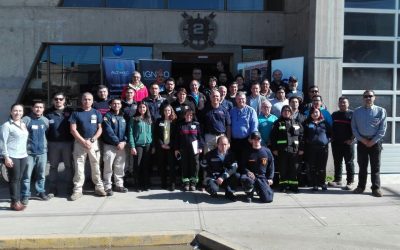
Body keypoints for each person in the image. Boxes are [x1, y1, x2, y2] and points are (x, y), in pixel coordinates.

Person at [69, 92, 106, 201]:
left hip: (93, 142)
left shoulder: (96, 113)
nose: (87, 101)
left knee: (96, 165)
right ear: (82, 100)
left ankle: (99, 187)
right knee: (79, 166)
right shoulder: (76, 113)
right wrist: (82, 141)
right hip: (79, 143)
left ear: (92, 101)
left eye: (89, 99)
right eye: (85, 99)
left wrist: (92, 139)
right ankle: (77, 190)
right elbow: (73, 129)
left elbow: (100, 128)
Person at [351, 90, 387, 197]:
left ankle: (376, 188)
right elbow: (354, 128)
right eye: (365, 96)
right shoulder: (357, 112)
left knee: (375, 167)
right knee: (362, 166)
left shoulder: (381, 111)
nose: (368, 98)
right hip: (362, 142)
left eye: (370, 96)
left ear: (374, 97)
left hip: (375, 143)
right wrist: (363, 140)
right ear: (363, 98)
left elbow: (382, 129)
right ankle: (361, 187)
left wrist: (372, 141)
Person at [21, 101, 51, 206]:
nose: (38, 109)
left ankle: (40, 191)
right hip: (29, 152)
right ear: (32, 108)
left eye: (41, 107)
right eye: (36, 107)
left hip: (42, 152)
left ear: (43, 109)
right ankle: (25, 195)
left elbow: (46, 134)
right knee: (26, 175)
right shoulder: (25, 120)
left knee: (41, 174)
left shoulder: (45, 120)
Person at [45, 92, 74, 197]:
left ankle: (70, 187)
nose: (58, 101)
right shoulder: (47, 112)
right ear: (53, 100)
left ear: (64, 100)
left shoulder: (70, 112)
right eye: (56, 99)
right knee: (53, 167)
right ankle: (52, 188)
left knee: (68, 166)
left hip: (68, 143)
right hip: (53, 144)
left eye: (61, 99)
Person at [0, 104, 29, 211]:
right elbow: (2, 143)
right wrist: (6, 157)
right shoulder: (6, 126)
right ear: (11, 112)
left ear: (23, 112)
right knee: (14, 179)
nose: (18, 113)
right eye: (15, 111)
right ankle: (15, 202)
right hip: (12, 156)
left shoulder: (23, 124)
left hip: (23, 155)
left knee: (19, 179)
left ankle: (16, 201)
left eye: (20, 111)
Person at [270, 105, 304, 192]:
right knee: (283, 169)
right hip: (282, 151)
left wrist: (301, 149)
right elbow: (273, 137)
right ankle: (283, 186)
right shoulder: (277, 123)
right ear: (281, 112)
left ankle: (293, 186)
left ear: (291, 112)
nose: (286, 112)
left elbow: (301, 137)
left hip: (294, 150)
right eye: (284, 111)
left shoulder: (297, 123)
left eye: (288, 111)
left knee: (294, 169)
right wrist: (274, 149)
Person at [102, 98, 128, 196]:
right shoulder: (107, 116)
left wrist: (124, 141)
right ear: (111, 105)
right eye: (114, 104)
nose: (116, 105)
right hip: (110, 145)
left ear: (121, 105)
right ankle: (107, 186)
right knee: (108, 167)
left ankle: (119, 185)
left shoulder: (124, 116)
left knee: (120, 166)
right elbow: (108, 132)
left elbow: (127, 130)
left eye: (118, 103)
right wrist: (117, 142)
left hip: (122, 146)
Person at [328, 96, 355, 190]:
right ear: (338, 104)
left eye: (344, 102)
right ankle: (337, 180)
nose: (342, 104)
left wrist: (352, 139)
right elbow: (331, 127)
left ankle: (350, 181)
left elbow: (356, 128)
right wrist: (331, 137)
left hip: (348, 143)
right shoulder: (334, 114)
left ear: (348, 103)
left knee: (349, 162)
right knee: (337, 162)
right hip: (336, 143)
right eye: (341, 102)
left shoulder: (352, 114)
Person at [173, 109, 204, 191]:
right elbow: (177, 138)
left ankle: (193, 183)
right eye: (187, 115)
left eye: (191, 115)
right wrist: (176, 149)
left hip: (195, 149)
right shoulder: (180, 125)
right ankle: (186, 183)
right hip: (183, 148)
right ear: (184, 115)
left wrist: (200, 147)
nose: (189, 116)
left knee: (195, 165)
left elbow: (200, 137)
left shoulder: (197, 124)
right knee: (184, 165)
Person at [240, 131, 274, 203]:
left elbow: (271, 165)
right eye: (254, 139)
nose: (256, 141)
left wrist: (270, 178)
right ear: (251, 140)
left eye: (258, 139)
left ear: (260, 139)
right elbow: (242, 165)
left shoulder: (267, 151)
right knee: (245, 179)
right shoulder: (247, 152)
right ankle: (249, 194)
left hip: (262, 177)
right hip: (250, 176)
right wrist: (248, 172)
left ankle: (262, 190)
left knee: (268, 199)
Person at [303, 107, 331, 191]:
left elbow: (331, 133)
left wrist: (326, 141)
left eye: (317, 112)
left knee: (322, 167)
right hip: (311, 148)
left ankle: (322, 183)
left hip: (323, 148)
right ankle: (314, 184)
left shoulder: (325, 123)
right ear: (310, 114)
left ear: (320, 113)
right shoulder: (307, 123)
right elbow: (304, 135)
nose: (315, 114)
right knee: (313, 166)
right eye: (313, 112)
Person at [203, 136, 239, 201]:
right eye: (221, 144)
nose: (223, 146)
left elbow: (234, 168)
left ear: (228, 145)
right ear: (217, 145)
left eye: (225, 144)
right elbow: (204, 166)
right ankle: (213, 190)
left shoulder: (231, 154)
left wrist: (223, 177)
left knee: (237, 175)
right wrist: (212, 175)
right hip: (214, 177)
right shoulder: (209, 154)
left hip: (225, 177)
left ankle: (229, 192)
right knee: (213, 189)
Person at [230, 92, 258, 171]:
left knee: (246, 160)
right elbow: (229, 125)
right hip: (234, 141)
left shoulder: (251, 110)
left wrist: (251, 138)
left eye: (242, 99)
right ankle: (236, 177)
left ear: (245, 99)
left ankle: (246, 177)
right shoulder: (232, 111)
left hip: (247, 140)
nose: (241, 100)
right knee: (235, 160)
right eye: (239, 99)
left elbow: (254, 126)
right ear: (236, 100)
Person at [128, 102, 153, 192]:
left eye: (144, 107)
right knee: (137, 165)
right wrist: (132, 146)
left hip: (148, 144)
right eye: (140, 107)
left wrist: (152, 145)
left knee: (146, 165)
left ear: (146, 108)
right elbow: (130, 133)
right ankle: (137, 185)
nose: (142, 109)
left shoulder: (149, 119)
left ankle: (146, 184)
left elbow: (152, 133)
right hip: (138, 145)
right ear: (137, 109)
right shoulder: (134, 119)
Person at [154, 105, 177, 191]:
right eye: (165, 110)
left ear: (171, 111)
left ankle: (172, 184)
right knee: (162, 165)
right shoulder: (159, 121)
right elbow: (156, 134)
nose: (167, 112)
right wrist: (161, 144)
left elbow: (176, 135)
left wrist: (170, 145)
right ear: (163, 112)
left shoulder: (174, 121)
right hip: (161, 147)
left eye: (169, 110)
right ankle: (163, 182)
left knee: (172, 166)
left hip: (171, 147)